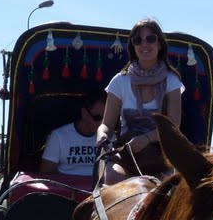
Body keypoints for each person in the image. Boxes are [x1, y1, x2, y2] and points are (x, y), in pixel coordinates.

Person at [95, 18, 183, 184]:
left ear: (160, 44)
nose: (144, 44)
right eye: (137, 40)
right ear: (133, 47)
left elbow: (173, 126)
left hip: (163, 156)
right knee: (112, 178)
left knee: (173, 190)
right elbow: (107, 124)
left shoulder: (172, 81)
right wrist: (102, 135)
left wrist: (147, 139)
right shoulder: (119, 81)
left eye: (150, 39)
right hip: (127, 153)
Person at [39, 90, 107, 176]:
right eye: (98, 118)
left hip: (101, 187)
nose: (102, 123)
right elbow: (46, 173)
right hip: (67, 187)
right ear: (84, 113)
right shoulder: (58, 137)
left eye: (106, 118)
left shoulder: (111, 137)